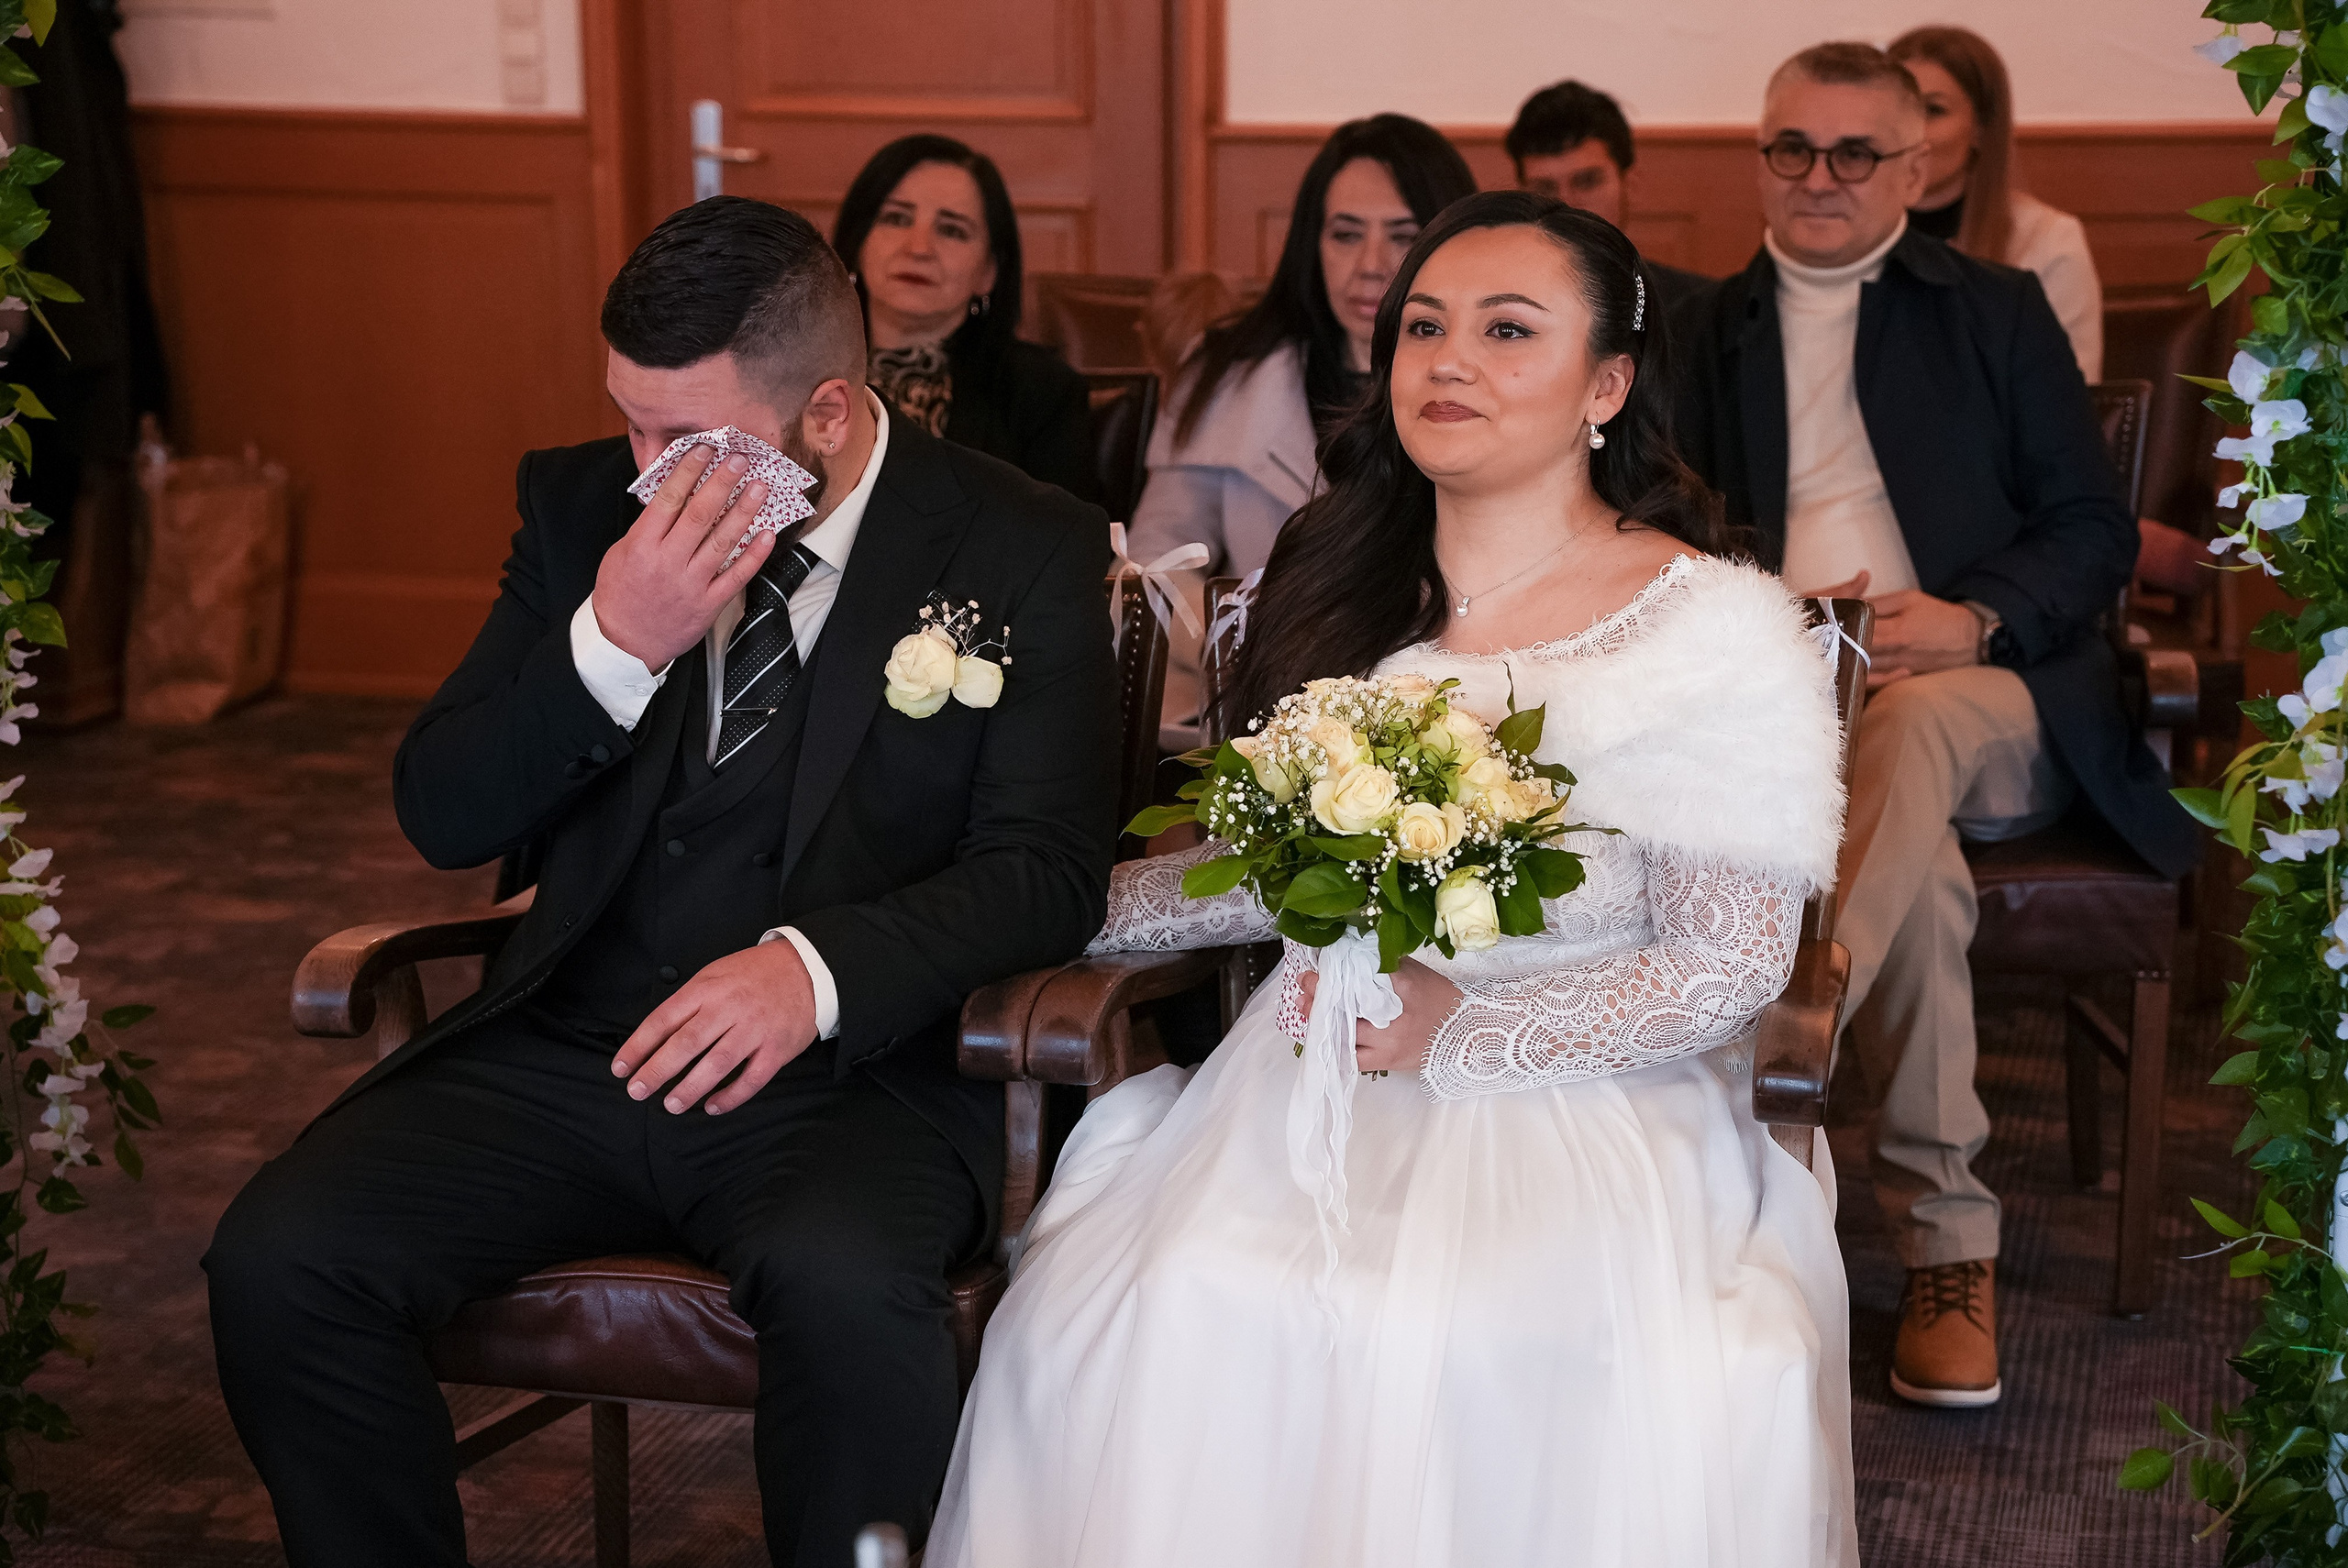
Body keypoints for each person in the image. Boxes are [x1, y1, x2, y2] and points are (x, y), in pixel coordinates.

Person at [930, 191, 1857, 1567]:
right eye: (1423, 325)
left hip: (1588, 1095)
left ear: (1607, 383)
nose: (1446, 361)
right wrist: (1036, 901)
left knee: (1470, 1329)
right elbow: (1268, 878)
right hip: (1306, 1071)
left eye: (1505, 329)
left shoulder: (1709, 626)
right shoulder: (1333, 582)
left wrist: (1468, 1032)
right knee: (1169, 1293)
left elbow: (1728, 963)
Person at [202, 196, 1119, 1567]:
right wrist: (610, 644)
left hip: (845, 1085)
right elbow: (441, 807)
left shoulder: (1019, 541)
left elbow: (1046, 870)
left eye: (680, 439)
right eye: (626, 419)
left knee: (851, 1295)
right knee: (279, 1260)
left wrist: (811, 973)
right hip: (571, 1049)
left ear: (825, 411)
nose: (641, 470)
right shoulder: (578, 509)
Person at [1673, 43, 2197, 1410]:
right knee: (1922, 870)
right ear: (1762, 156)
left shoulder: (1997, 311)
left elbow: (2091, 529)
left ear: (1916, 168)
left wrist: (1972, 616)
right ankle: (1948, 1245)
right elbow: (1660, 539)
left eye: (1857, 153)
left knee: (1908, 738)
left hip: (1995, 691)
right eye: (1793, 147)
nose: (1821, 178)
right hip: (1792, 709)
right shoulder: (1701, 328)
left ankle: (1792, 1029)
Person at [1124, 113, 1475, 747]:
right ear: (1310, 243)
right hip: (1255, 713)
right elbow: (1153, 563)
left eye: (1402, 236)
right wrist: (1252, 645)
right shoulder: (1227, 371)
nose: (1370, 266)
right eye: (1344, 235)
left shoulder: (1480, 382)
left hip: (1450, 714)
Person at [833, 133, 1100, 502]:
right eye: (896, 219)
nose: (919, 248)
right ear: (857, 243)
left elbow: (1065, 544)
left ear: (988, 271)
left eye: (952, 230)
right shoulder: (795, 371)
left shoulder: (1041, 392)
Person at [1889, 25, 2104, 380]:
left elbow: (2071, 402)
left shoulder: (2050, 242)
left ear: (1981, 127)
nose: (1912, 133)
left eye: (1933, 110)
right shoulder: (1845, 232)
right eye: (1899, 110)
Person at [1503, 78, 1710, 322]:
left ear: (1630, 184)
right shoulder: (1499, 311)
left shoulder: (1700, 310)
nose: (1566, 204)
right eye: (1545, 188)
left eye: (1588, 181)